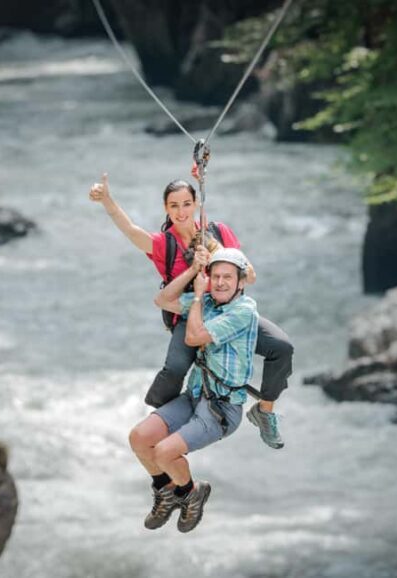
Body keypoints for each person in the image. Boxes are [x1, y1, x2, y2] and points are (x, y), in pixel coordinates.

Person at [89, 172, 290, 448]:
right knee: (175, 368)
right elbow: (131, 230)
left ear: (195, 203)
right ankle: (163, 421)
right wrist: (108, 201)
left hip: (229, 313)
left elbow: (250, 276)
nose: (181, 211)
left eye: (186, 204)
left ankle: (265, 412)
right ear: (166, 209)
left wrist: (213, 247)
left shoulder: (216, 231)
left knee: (281, 347)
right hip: (191, 313)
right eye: (174, 205)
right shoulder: (164, 244)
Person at [129, 247, 257, 532]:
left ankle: (192, 491)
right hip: (194, 396)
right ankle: (172, 492)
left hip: (220, 407)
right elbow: (162, 299)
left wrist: (198, 297)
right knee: (140, 438)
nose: (221, 282)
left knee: (163, 453)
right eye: (216, 276)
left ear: (240, 282)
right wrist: (192, 273)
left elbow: (194, 336)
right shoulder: (208, 301)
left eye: (228, 277)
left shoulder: (244, 311)